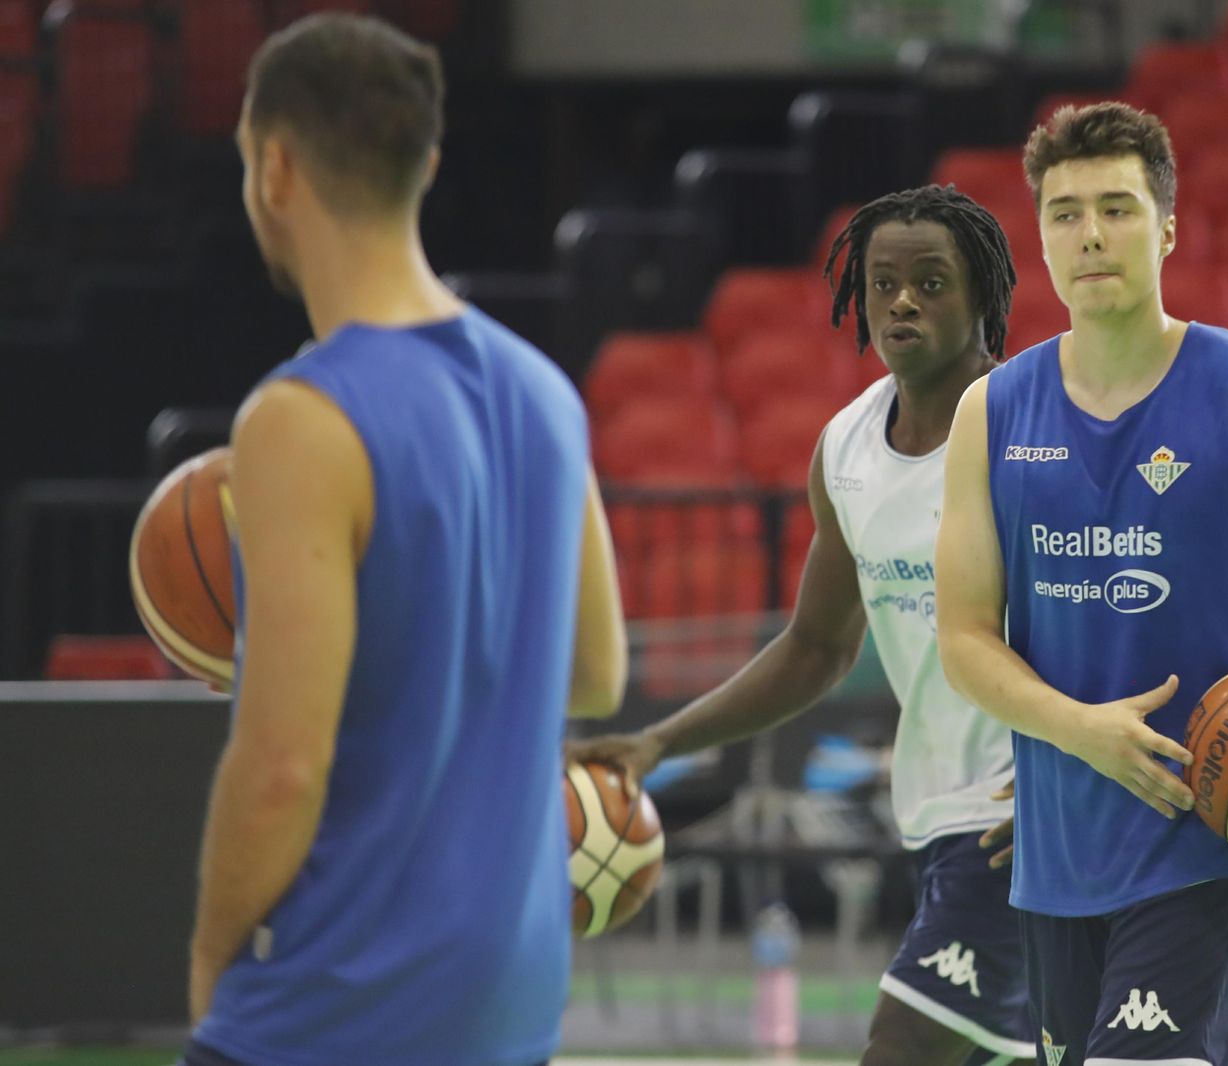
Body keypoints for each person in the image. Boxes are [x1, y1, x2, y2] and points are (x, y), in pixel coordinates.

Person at [182, 14, 628, 1066]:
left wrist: (209, 953)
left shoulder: (299, 417)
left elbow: (283, 766)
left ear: (275, 167)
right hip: (508, 1003)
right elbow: (596, 671)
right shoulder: (546, 393)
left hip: (335, 1004)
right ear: (423, 164)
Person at [934, 102, 1228, 1066]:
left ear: (1166, 227)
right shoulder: (990, 412)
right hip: (1057, 861)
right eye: (1065, 213)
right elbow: (964, 640)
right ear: (1040, 236)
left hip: (1212, 837)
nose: (1091, 234)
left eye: (1116, 207)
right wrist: (1082, 730)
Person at [570, 185, 1033, 1066]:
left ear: (983, 297)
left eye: (932, 282)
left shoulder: (1037, 434)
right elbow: (816, 647)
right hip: (937, 822)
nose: (903, 300)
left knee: (899, 1050)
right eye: (883, 281)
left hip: (1024, 828)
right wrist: (655, 742)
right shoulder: (847, 449)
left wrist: (1069, 774)